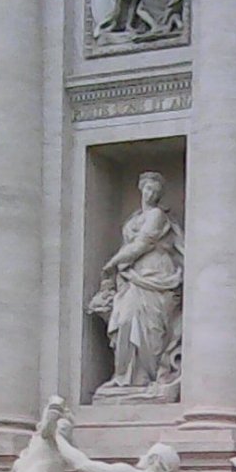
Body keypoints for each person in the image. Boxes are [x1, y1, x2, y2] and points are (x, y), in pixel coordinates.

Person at [89, 171, 184, 401]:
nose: (151, 194)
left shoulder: (157, 216)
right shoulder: (132, 219)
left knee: (152, 329)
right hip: (133, 276)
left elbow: (144, 242)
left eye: (155, 191)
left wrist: (113, 263)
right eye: (148, 189)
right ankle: (126, 377)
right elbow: (130, 245)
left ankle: (145, 377)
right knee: (125, 320)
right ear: (141, 189)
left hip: (157, 273)